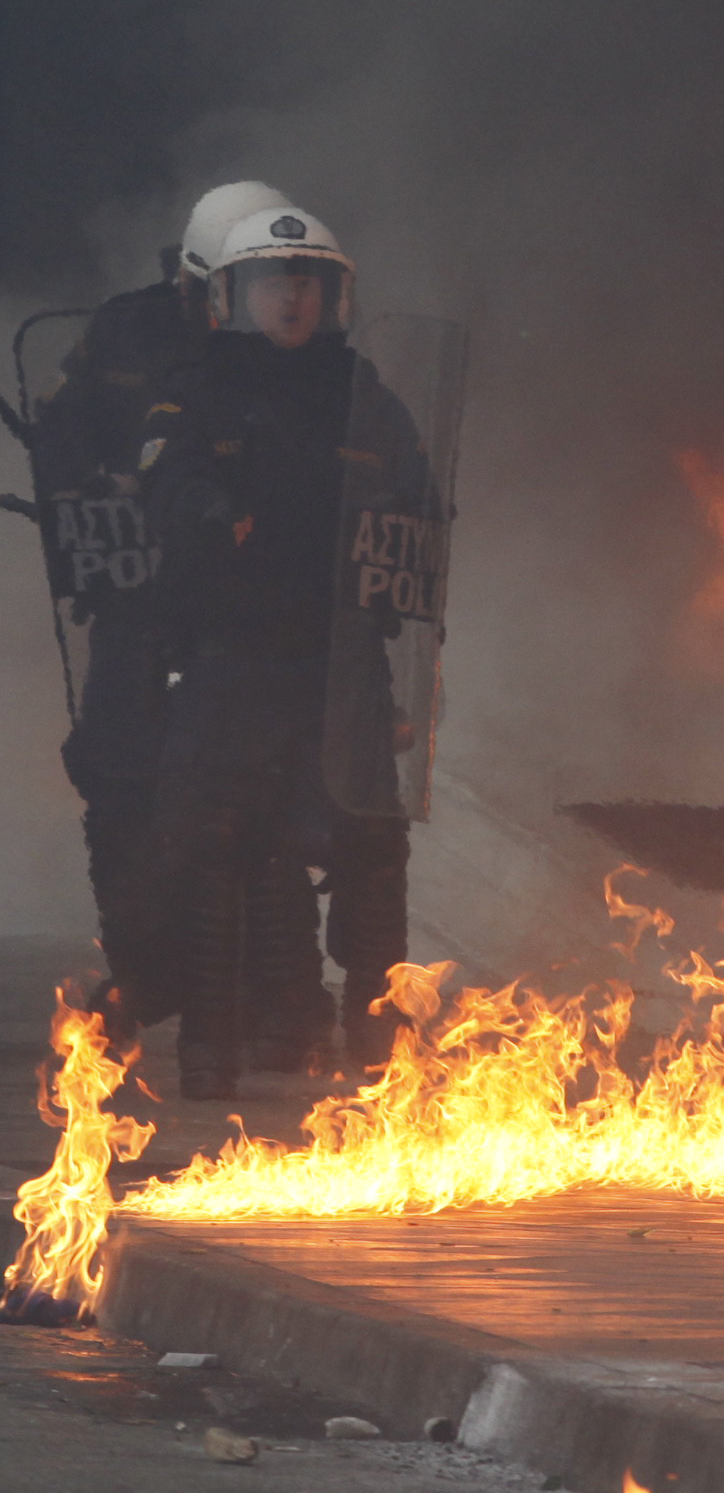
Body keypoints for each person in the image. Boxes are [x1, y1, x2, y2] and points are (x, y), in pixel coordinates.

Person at [30, 180, 320, 1051]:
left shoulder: (289, 349)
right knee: (122, 779)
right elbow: (63, 432)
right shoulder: (124, 331)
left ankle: (283, 998)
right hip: (138, 602)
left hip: (248, 616)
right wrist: (87, 490)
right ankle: (154, 974)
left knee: (258, 793)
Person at [142, 207, 421, 1097]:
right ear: (232, 295)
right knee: (222, 852)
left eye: (308, 281)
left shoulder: (364, 395)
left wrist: (418, 652)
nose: (292, 297)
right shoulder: (197, 391)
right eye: (273, 281)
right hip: (233, 663)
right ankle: (214, 1057)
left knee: (373, 851)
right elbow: (165, 477)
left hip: (342, 665)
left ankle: (380, 1053)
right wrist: (210, 511)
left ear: (333, 295)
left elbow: (418, 520)